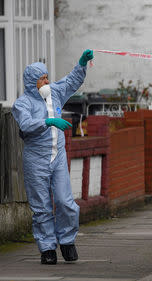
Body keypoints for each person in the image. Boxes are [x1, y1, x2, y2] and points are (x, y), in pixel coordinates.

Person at [12, 49, 94, 264]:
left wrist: (82, 63)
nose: (47, 81)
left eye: (47, 77)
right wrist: (48, 122)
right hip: (36, 160)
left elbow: (71, 81)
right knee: (41, 208)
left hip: (57, 158)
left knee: (65, 202)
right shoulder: (22, 104)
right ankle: (47, 248)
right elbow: (26, 125)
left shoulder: (55, 92)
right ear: (32, 83)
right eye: (42, 79)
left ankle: (67, 241)